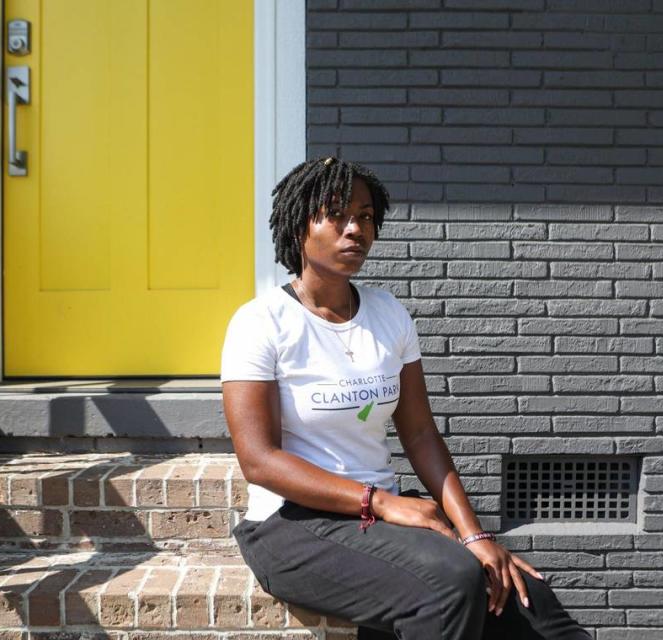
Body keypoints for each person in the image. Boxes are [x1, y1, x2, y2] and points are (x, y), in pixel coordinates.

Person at [221, 157, 593, 640]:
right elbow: (260, 461)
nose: (355, 229)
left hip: (380, 516)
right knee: (448, 583)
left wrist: (475, 535)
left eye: (367, 216)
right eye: (336, 214)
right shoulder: (260, 323)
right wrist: (379, 502)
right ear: (299, 224)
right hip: (291, 522)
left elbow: (419, 434)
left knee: (526, 596)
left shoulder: (387, 313)